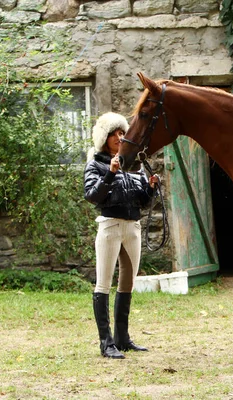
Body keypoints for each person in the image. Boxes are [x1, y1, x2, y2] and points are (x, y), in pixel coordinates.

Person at [84, 112, 160, 359]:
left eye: (122, 132)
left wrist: (149, 189)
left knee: (127, 283)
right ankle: (106, 343)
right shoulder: (95, 164)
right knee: (104, 282)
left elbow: (142, 202)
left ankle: (122, 338)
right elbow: (93, 196)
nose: (120, 137)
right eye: (115, 133)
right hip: (110, 226)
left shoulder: (133, 165)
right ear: (105, 138)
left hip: (132, 228)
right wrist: (110, 173)